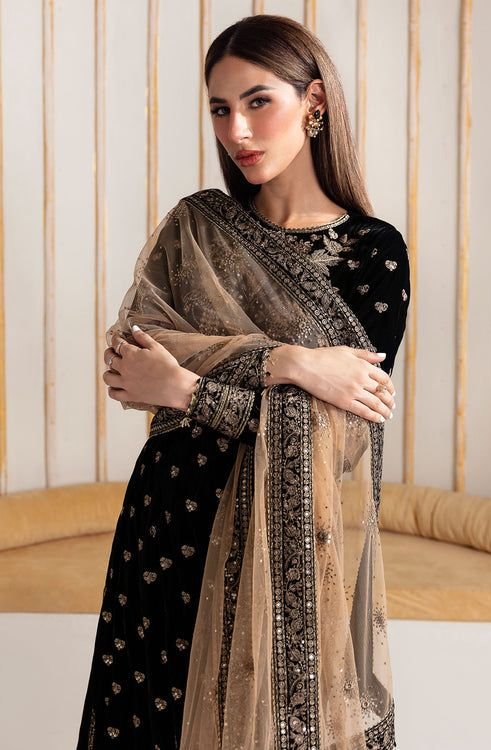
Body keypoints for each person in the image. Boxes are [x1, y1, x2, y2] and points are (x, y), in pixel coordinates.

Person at [76, 13, 410, 750]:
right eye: (221, 109)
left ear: (313, 101)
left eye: (259, 101)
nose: (238, 130)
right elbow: (132, 361)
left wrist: (188, 391)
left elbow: (340, 429)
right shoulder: (196, 229)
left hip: (289, 542)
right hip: (168, 523)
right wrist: (287, 362)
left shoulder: (372, 253)